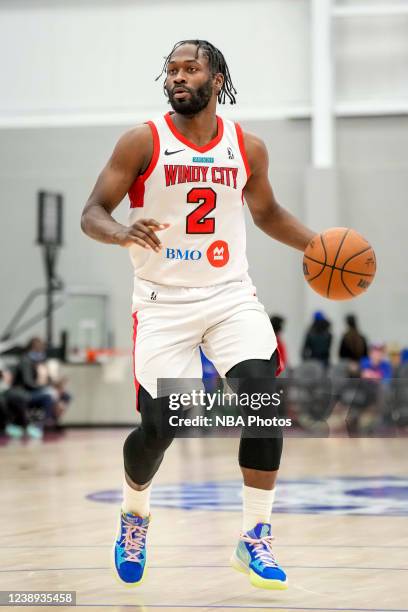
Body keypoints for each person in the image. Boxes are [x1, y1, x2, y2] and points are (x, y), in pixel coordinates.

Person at [81, 39, 315, 590]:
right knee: (163, 426)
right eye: (172, 70)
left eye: (190, 68)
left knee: (262, 398)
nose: (178, 76)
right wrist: (119, 232)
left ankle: (254, 536)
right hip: (163, 304)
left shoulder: (247, 147)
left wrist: (318, 243)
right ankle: (134, 514)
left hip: (230, 295)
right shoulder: (143, 140)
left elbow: (268, 212)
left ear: (217, 79)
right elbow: (94, 211)